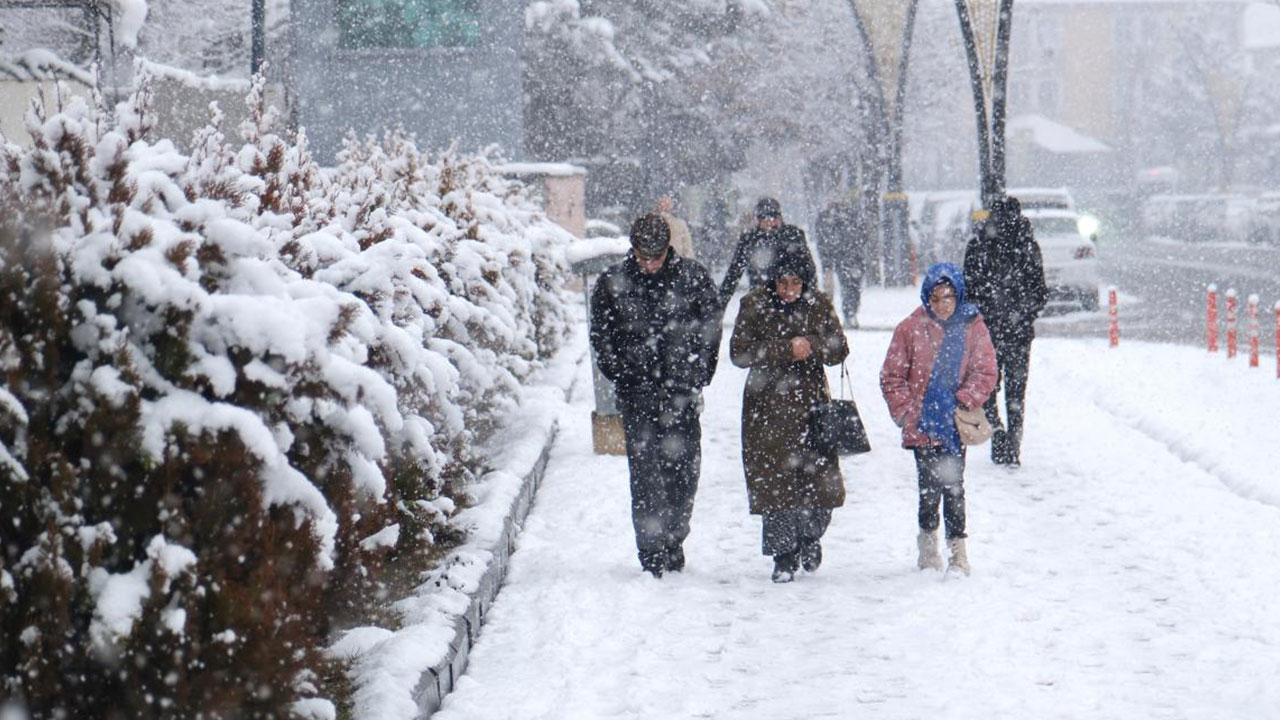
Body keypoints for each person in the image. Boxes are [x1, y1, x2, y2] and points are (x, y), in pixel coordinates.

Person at [589, 213, 723, 578]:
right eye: (642, 257)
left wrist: (699, 372)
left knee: (683, 473)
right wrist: (620, 370)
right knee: (646, 476)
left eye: (656, 257)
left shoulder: (693, 278)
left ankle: (675, 537)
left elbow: (711, 327)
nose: (649, 265)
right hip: (638, 394)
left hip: (681, 392)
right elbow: (601, 333)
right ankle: (651, 550)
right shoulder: (613, 282)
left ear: (668, 249)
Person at [729, 243, 849, 583]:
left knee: (820, 484)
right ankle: (783, 556)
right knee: (775, 485)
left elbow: (840, 347)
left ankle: (810, 537)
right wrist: (784, 349)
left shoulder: (819, 304)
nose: (789, 290)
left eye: (796, 283)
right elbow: (739, 353)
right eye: (783, 283)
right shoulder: (754, 305)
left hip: (813, 408)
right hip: (767, 408)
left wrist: (811, 344)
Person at [879, 263, 997, 576]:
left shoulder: (973, 326)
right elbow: (892, 375)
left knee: (954, 486)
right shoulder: (910, 328)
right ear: (926, 297)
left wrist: (963, 401)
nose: (943, 304)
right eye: (936, 297)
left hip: (954, 423)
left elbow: (985, 371)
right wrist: (906, 413)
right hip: (922, 423)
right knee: (928, 487)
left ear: (958, 295)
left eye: (948, 297)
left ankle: (958, 554)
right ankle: (928, 547)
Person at [962, 195, 1048, 467]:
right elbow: (1040, 292)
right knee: (1016, 388)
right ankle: (1013, 441)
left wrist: (982, 314)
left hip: (987, 331)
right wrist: (1023, 314)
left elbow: (968, 290)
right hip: (1019, 332)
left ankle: (997, 429)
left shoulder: (978, 246)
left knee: (987, 384)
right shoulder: (1028, 246)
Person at [718, 197, 816, 309]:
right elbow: (734, 274)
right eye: (767, 218)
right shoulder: (750, 240)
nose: (772, 222)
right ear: (759, 220)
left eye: (775, 217)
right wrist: (720, 307)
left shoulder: (792, 235)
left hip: (790, 297)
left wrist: (810, 298)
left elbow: (809, 269)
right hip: (760, 300)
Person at [813, 192, 870, 328]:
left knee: (850, 287)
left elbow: (862, 235)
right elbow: (822, 241)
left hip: (848, 258)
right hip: (845, 258)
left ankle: (848, 314)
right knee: (848, 287)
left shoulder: (845, 217)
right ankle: (846, 315)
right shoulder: (834, 218)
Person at [655, 194, 695, 259]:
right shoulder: (680, 225)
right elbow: (688, 251)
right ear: (671, 208)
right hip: (676, 262)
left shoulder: (650, 224)